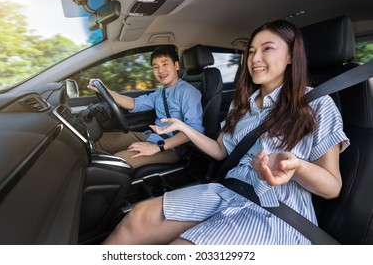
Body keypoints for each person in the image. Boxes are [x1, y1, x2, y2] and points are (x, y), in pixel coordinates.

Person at [101, 20, 350, 245]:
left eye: (267, 48)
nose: (255, 58)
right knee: (138, 217)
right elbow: (220, 151)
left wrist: (296, 167)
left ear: (290, 57)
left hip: (276, 206)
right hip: (227, 190)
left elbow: (332, 186)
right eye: (251, 51)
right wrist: (184, 127)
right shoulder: (241, 105)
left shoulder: (316, 104)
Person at [87, 46, 204, 169]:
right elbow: (134, 103)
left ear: (176, 66)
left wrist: (156, 147)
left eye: (165, 64)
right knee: (96, 142)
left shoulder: (188, 92)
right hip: (151, 136)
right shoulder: (160, 93)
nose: (160, 70)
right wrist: (107, 91)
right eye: (155, 67)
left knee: (115, 164)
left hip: (172, 148)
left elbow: (194, 130)